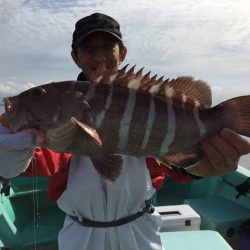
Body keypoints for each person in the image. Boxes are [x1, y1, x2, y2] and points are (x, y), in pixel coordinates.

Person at [0, 12, 250, 250]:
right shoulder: (55, 124)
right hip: (79, 233)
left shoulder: (139, 99)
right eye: (89, 49)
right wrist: (7, 157)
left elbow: (175, 164)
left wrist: (202, 167)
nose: (98, 56)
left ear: (122, 53)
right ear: (75, 56)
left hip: (139, 231)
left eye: (107, 47)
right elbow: (39, 158)